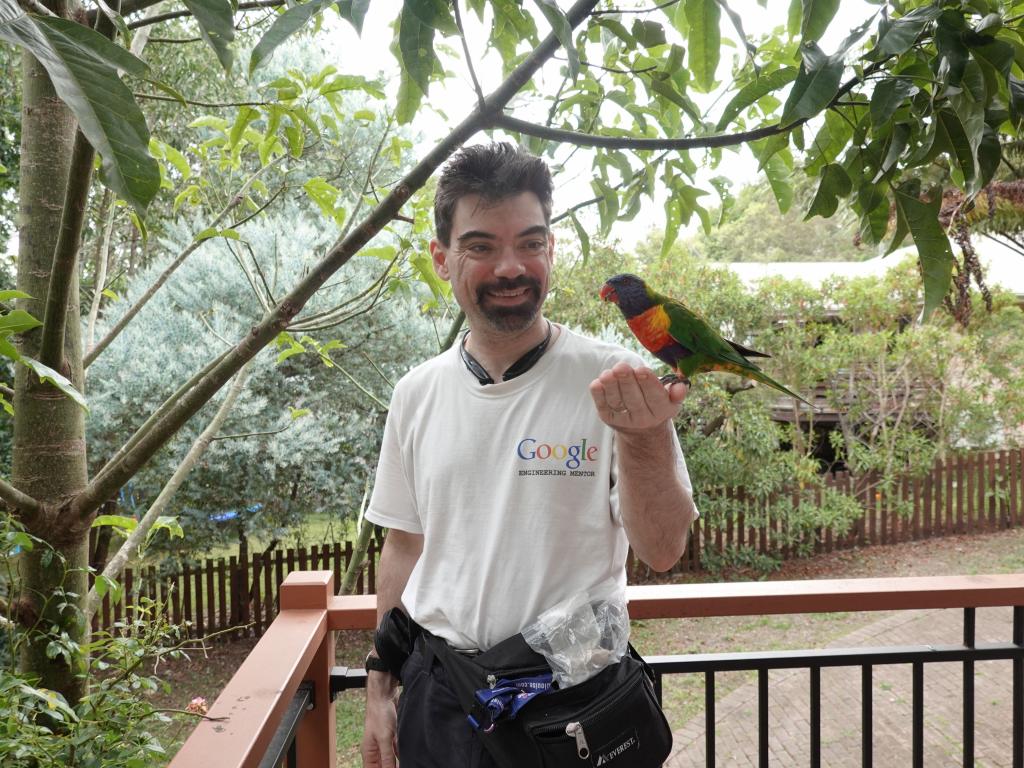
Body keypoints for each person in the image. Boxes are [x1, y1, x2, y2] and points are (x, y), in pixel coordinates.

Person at [360, 142, 698, 768]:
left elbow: (663, 550)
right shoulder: (416, 395)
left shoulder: (615, 381)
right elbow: (404, 545)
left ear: (551, 249)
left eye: (531, 242)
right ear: (441, 257)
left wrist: (646, 438)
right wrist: (380, 685)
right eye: (482, 246)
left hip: (573, 707)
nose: (511, 266)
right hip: (440, 700)